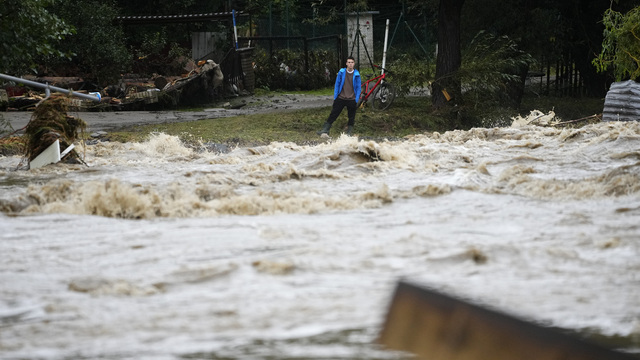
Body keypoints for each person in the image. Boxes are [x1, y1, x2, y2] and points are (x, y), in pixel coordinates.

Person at [317, 56, 361, 136]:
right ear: (346, 63)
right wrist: (335, 97)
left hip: (352, 99)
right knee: (333, 114)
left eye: (352, 62)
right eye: (349, 62)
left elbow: (358, 88)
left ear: (354, 64)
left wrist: (356, 99)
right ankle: (325, 130)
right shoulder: (341, 72)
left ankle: (349, 133)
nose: (350, 64)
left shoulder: (357, 75)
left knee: (351, 116)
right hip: (341, 97)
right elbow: (337, 84)